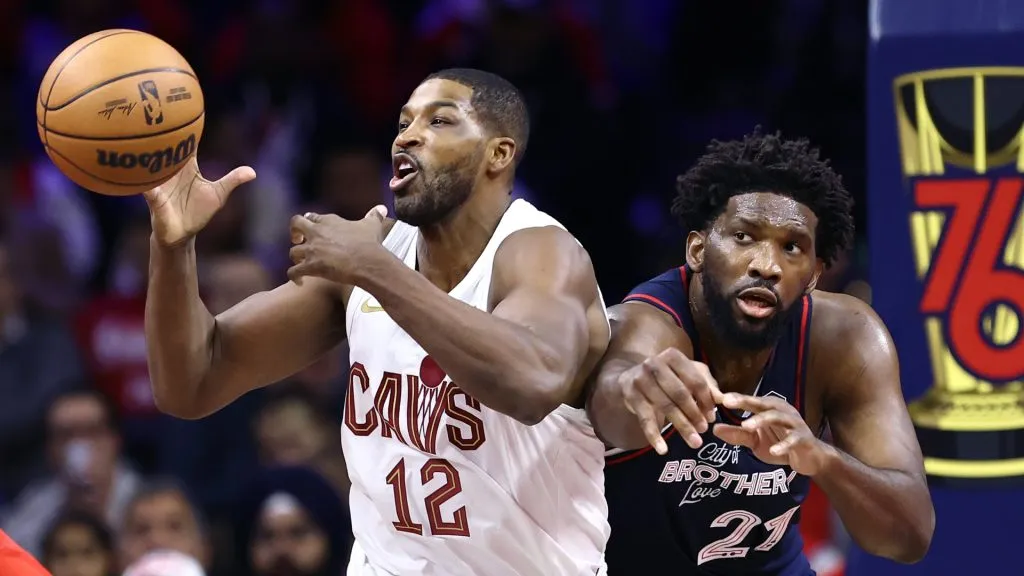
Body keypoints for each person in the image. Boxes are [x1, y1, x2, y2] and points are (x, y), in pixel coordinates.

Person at [143, 68, 611, 576]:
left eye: (441, 121)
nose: (409, 135)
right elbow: (193, 382)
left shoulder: (540, 251)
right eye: (404, 121)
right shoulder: (371, 259)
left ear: (498, 154)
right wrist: (173, 247)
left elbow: (532, 382)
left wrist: (374, 269)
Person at [587, 129, 935, 575]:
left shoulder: (846, 338)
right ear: (697, 249)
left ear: (813, 275)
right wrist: (633, 387)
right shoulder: (649, 323)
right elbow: (612, 400)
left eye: (791, 248)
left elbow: (910, 535)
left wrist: (822, 458)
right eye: (744, 237)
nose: (766, 266)